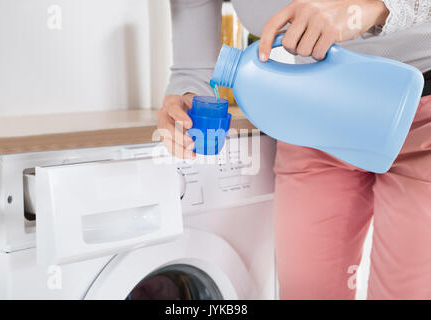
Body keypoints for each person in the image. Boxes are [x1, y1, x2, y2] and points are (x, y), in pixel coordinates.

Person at [157, 0, 431, 299]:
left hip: (422, 116)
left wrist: (370, 9)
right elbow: (196, 68)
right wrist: (185, 99)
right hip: (308, 119)